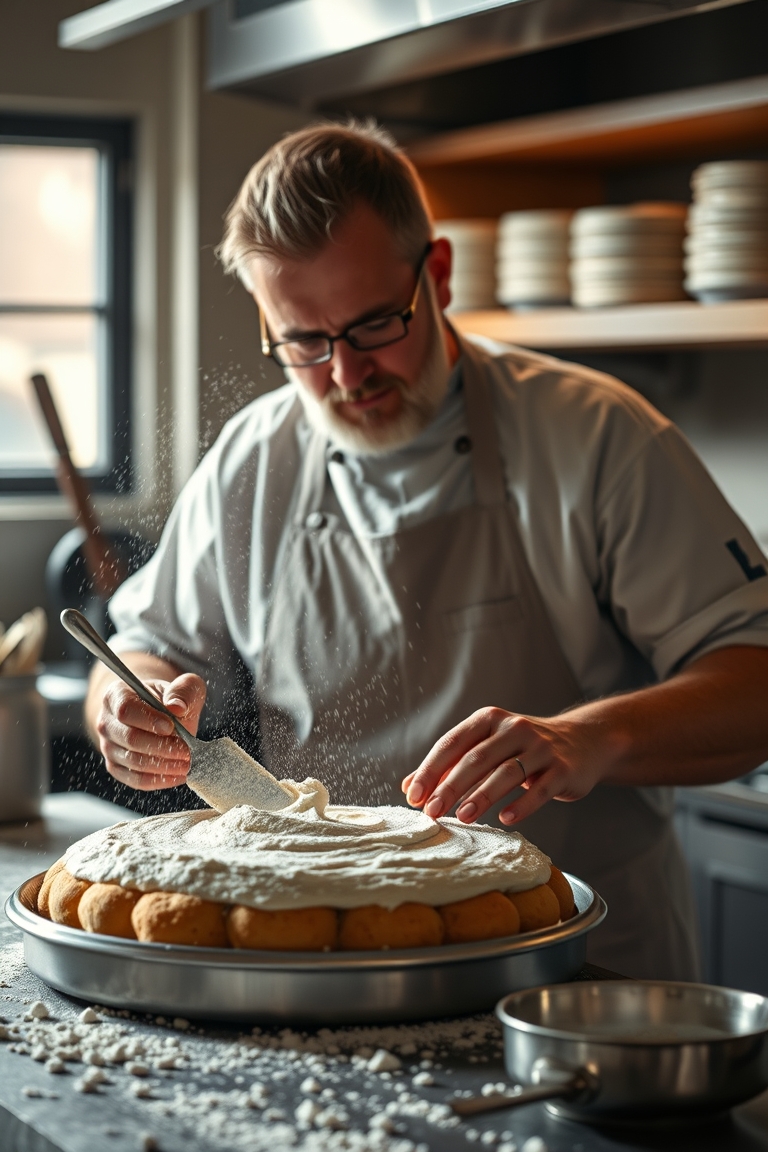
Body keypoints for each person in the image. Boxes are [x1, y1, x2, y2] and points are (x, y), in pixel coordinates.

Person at [86, 122, 768, 980]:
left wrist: (588, 738)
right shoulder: (253, 460)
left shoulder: (596, 437)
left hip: (569, 972)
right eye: (303, 342)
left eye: (375, 325)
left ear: (437, 276)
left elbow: (755, 678)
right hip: (320, 973)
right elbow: (146, 649)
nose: (346, 375)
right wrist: (130, 707)